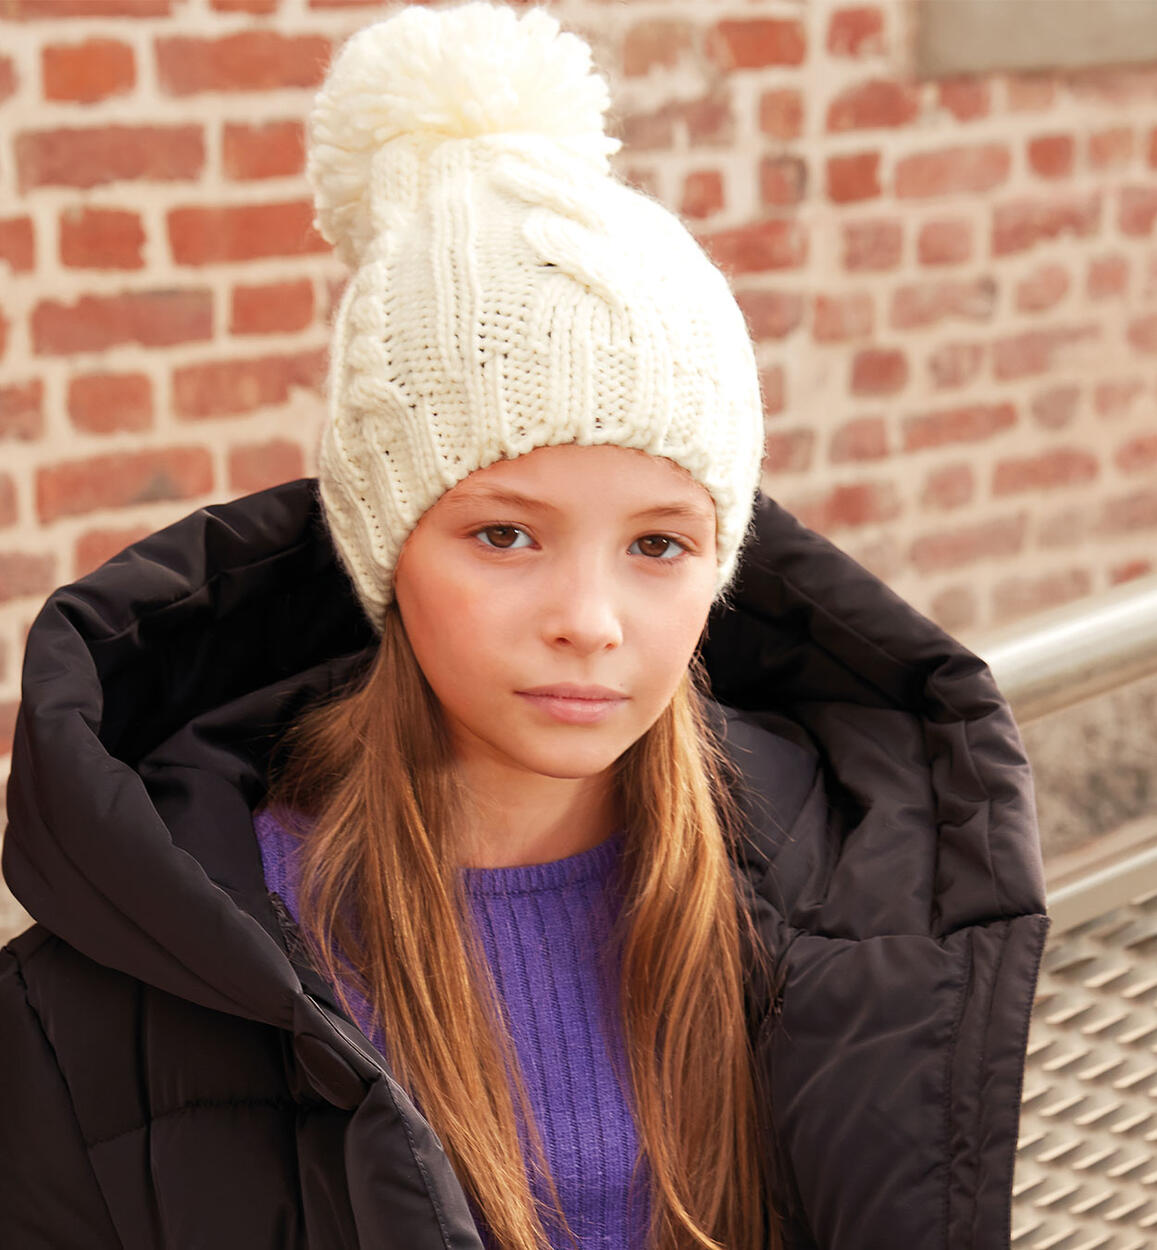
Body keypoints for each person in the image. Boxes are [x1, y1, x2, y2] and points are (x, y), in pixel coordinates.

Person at [0, 3, 1048, 1248]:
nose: (590, 622)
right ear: (383, 547)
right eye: (504, 534)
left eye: (657, 543)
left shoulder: (854, 893)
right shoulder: (139, 981)